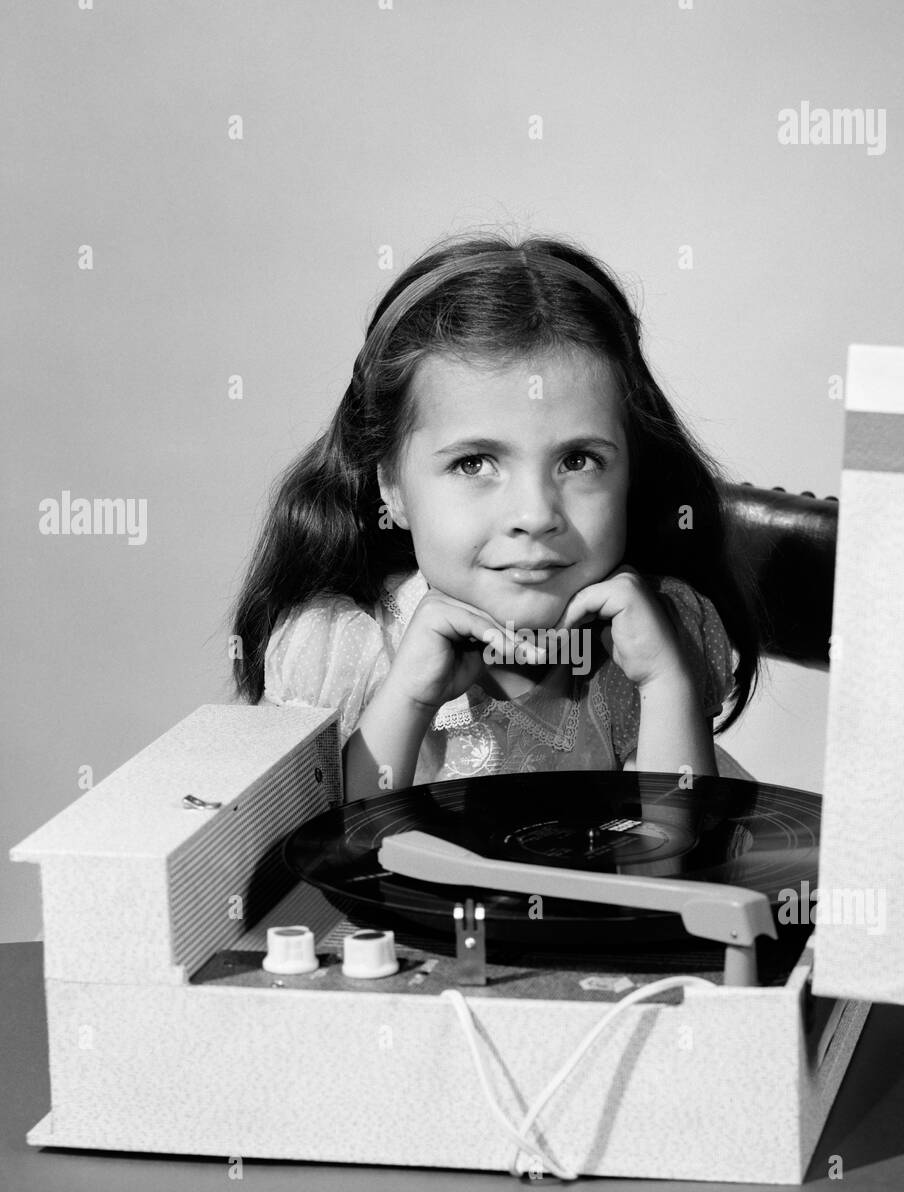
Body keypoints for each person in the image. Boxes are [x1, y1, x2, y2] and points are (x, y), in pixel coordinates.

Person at [230, 234, 764, 800]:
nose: (535, 514)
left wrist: (664, 683)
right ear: (391, 485)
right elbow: (331, 866)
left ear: (631, 470)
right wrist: (408, 697)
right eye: (473, 463)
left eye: (578, 460)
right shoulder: (343, 651)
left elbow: (678, 866)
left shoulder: (659, 634)